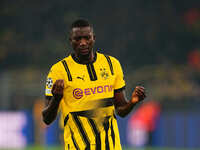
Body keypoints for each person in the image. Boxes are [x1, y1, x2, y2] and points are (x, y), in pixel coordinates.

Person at [42, 19, 146, 150]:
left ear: (94, 38)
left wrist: (133, 101)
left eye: (87, 38)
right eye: (77, 39)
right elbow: (46, 118)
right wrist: (56, 99)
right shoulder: (58, 71)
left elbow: (121, 110)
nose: (83, 43)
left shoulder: (112, 64)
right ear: (71, 41)